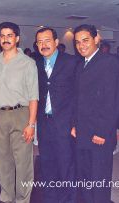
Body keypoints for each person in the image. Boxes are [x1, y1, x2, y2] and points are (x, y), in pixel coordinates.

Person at [72, 24, 119, 203]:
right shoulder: (81, 64)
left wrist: (101, 131)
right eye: (77, 42)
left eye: (85, 40)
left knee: (99, 180)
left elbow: (112, 100)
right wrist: (74, 125)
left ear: (96, 39)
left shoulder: (109, 63)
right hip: (83, 132)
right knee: (85, 178)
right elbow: (78, 99)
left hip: (99, 134)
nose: (81, 45)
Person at [0, 22, 38, 203]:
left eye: (9, 35)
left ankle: (22, 199)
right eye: (2, 36)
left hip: (21, 114)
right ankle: (7, 196)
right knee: (2, 159)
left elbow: (34, 96)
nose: (5, 39)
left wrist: (31, 124)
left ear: (17, 38)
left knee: (23, 161)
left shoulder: (28, 63)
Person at [35, 27, 79, 203]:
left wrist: (76, 123)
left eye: (47, 40)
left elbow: (79, 95)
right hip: (44, 124)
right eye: (39, 42)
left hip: (65, 124)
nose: (43, 45)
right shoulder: (35, 64)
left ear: (56, 42)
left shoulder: (71, 62)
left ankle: (68, 200)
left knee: (66, 165)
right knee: (47, 164)